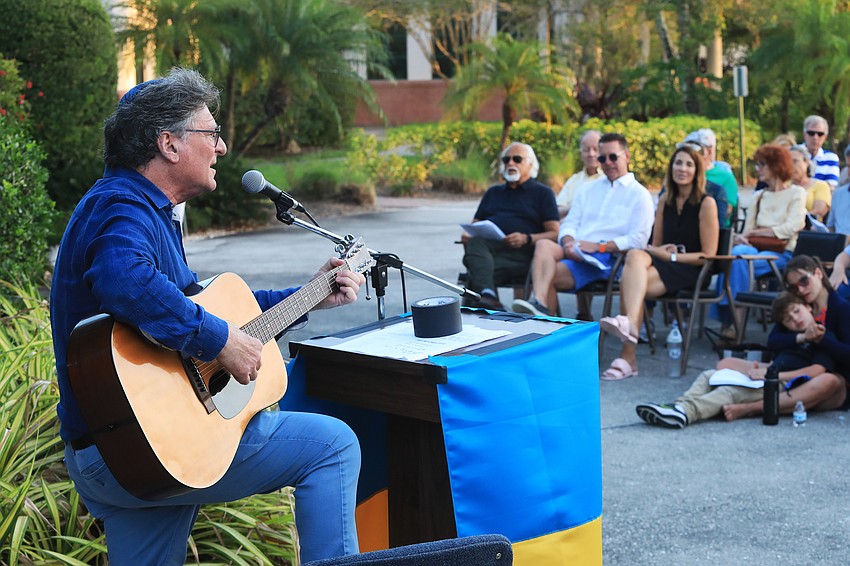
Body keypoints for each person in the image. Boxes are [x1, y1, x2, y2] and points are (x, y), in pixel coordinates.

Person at [50, 69, 365, 564]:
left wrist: (311, 296)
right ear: (169, 144)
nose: (221, 147)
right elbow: (123, 279)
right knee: (333, 447)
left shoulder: (142, 209)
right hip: (139, 444)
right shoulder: (122, 205)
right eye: (212, 133)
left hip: (130, 452)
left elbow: (216, 312)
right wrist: (218, 341)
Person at [597, 145, 719, 380]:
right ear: (671, 168)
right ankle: (630, 331)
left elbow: (707, 255)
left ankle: (628, 355)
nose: (682, 168)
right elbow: (656, 245)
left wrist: (670, 256)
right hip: (664, 265)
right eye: (678, 163)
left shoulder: (707, 203)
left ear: (697, 171)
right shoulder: (665, 200)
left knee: (631, 283)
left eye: (689, 164)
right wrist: (659, 252)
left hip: (692, 269)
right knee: (635, 257)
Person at [635, 291, 837, 428]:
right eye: (788, 319)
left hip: (783, 382)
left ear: (808, 307)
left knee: (730, 392)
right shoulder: (789, 337)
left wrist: (772, 374)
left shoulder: (822, 335)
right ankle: (678, 406)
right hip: (766, 374)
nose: (795, 319)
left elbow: (817, 371)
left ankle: (687, 413)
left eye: (797, 311)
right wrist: (763, 368)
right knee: (710, 375)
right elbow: (774, 345)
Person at [511, 133, 654, 317]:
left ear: (626, 156)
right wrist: (568, 241)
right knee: (543, 245)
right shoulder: (588, 189)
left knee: (547, 275)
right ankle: (540, 303)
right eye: (602, 158)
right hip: (577, 250)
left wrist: (599, 247)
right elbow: (570, 222)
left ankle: (546, 321)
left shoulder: (639, 194)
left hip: (607, 259)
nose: (607, 163)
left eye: (613, 157)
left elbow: (638, 239)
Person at [721, 255, 850, 420]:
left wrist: (822, 340)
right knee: (726, 363)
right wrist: (802, 337)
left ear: (818, 273)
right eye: (794, 287)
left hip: (827, 376)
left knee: (828, 381)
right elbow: (773, 341)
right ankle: (775, 396)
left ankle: (752, 407)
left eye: (804, 281)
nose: (801, 290)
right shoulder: (797, 305)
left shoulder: (841, 308)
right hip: (791, 367)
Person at [713, 144, 807, 339]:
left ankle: (731, 322)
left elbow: (793, 226)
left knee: (737, 261)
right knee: (737, 256)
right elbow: (747, 231)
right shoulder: (759, 196)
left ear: (776, 166)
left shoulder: (796, 193)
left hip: (782, 252)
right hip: (754, 249)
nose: (757, 169)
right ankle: (735, 324)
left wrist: (757, 232)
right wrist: (742, 237)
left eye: (762, 164)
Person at [461, 142, 560, 310]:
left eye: (517, 159)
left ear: (531, 164)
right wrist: (468, 235)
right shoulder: (493, 193)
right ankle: (489, 297)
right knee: (475, 244)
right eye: (506, 160)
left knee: (475, 271)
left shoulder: (542, 193)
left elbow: (554, 233)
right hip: (492, 252)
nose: (511, 163)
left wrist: (527, 238)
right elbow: (475, 225)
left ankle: (487, 302)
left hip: (524, 255)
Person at [684, 129, 738, 227]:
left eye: (696, 149)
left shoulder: (726, 177)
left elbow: (726, 212)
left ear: (709, 151)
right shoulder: (684, 174)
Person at [555, 129, 602, 218]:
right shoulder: (574, 180)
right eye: (586, 150)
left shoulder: (609, 179)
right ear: (581, 153)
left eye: (596, 149)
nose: (591, 154)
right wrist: (577, 207)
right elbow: (557, 210)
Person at [789, 145, 831, 222]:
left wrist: (793, 221)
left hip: (809, 227)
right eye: (789, 162)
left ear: (806, 162)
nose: (792, 166)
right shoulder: (784, 187)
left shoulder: (821, 185)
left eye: (795, 161)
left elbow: (818, 212)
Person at [801, 115, 840, 187]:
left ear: (825, 137)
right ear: (804, 134)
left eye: (820, 134)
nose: (815, 137)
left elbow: (831, 186)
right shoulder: (793, 154)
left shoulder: (831, 158)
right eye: (811, 133)